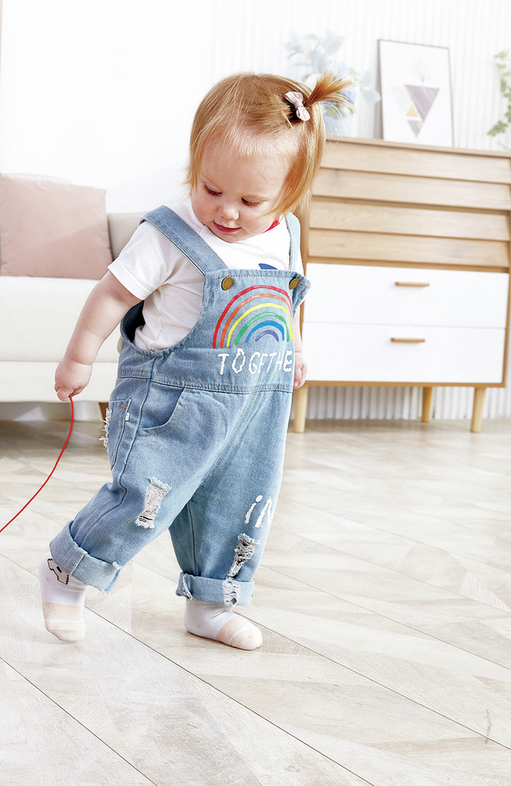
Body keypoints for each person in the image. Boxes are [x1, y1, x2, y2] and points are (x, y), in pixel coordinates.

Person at [40, 72, 353, 650]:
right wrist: (78, 358)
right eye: (211, 189)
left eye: (250, 200)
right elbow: (112, 294)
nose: (227, 212)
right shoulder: (169, 234)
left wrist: (296, 348)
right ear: (194, 166)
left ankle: (212, 603)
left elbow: (286, 298)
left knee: (240, 504)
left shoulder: (286, 233)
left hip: (254, 408)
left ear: (288, 195)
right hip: (170, 403)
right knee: (144, 498)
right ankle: (68, 569)